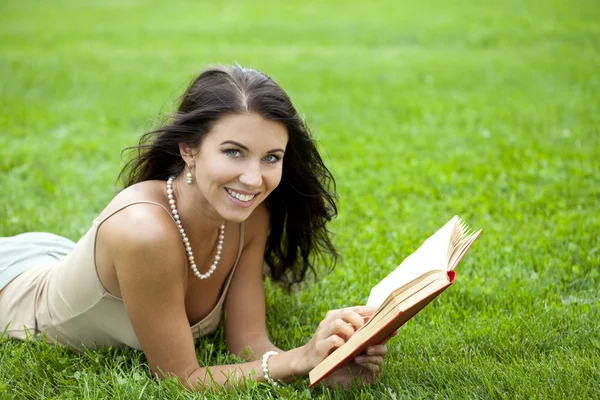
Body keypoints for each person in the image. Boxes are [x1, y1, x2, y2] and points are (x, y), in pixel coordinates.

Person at [0, 65, 389, 391]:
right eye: (233, 152)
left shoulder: (251, 216)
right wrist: (300, 358)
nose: (253, 180)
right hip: (12, 287)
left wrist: (325, 365)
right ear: (189, 148)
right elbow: (180, 379)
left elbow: (248, 344)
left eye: (271, 157)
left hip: (55, 256)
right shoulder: (143, 233)